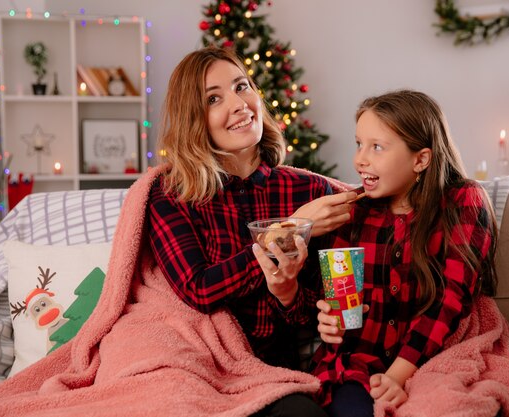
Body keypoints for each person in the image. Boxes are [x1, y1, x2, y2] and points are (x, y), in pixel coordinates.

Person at [146, 46, 356, 417]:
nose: (239, 103)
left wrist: (289, 293)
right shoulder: (172, 195)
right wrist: (290, 229)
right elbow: (199, 288)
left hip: (277, 375)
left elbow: (329, 311)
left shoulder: (309, 192)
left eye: (242, 87)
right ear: (193, 117)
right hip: (198, 371)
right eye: (214, 98)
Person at [311, 90, 499, 417]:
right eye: (359, 144)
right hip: (361, 364)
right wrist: (331, 325)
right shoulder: (352, 213)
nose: (360, 159)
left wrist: (397, 375)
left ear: (420, 159)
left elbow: (450, 299)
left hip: (434, 359)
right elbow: (342, 305)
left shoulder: (463, 201)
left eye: (377, 147)